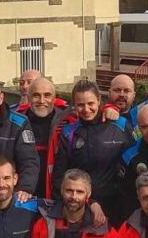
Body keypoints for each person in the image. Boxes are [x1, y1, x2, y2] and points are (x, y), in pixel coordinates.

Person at [49, 80, 132, 226]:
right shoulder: (69, 132)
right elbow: (60, 174)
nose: (86, 109)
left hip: (117, 205)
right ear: (74, 105)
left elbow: (133, 161)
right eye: (80, 105)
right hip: (81, 206)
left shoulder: (121, 125)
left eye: (90, 104)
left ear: (99, 100)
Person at [16, 76, 69, 198]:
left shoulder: (68, 121)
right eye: (36, 95)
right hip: (22, 192)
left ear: (54, 98)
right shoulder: (16, 123)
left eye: (47, 95)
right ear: (28, 98)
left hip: (57, 193)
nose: (41, 100)